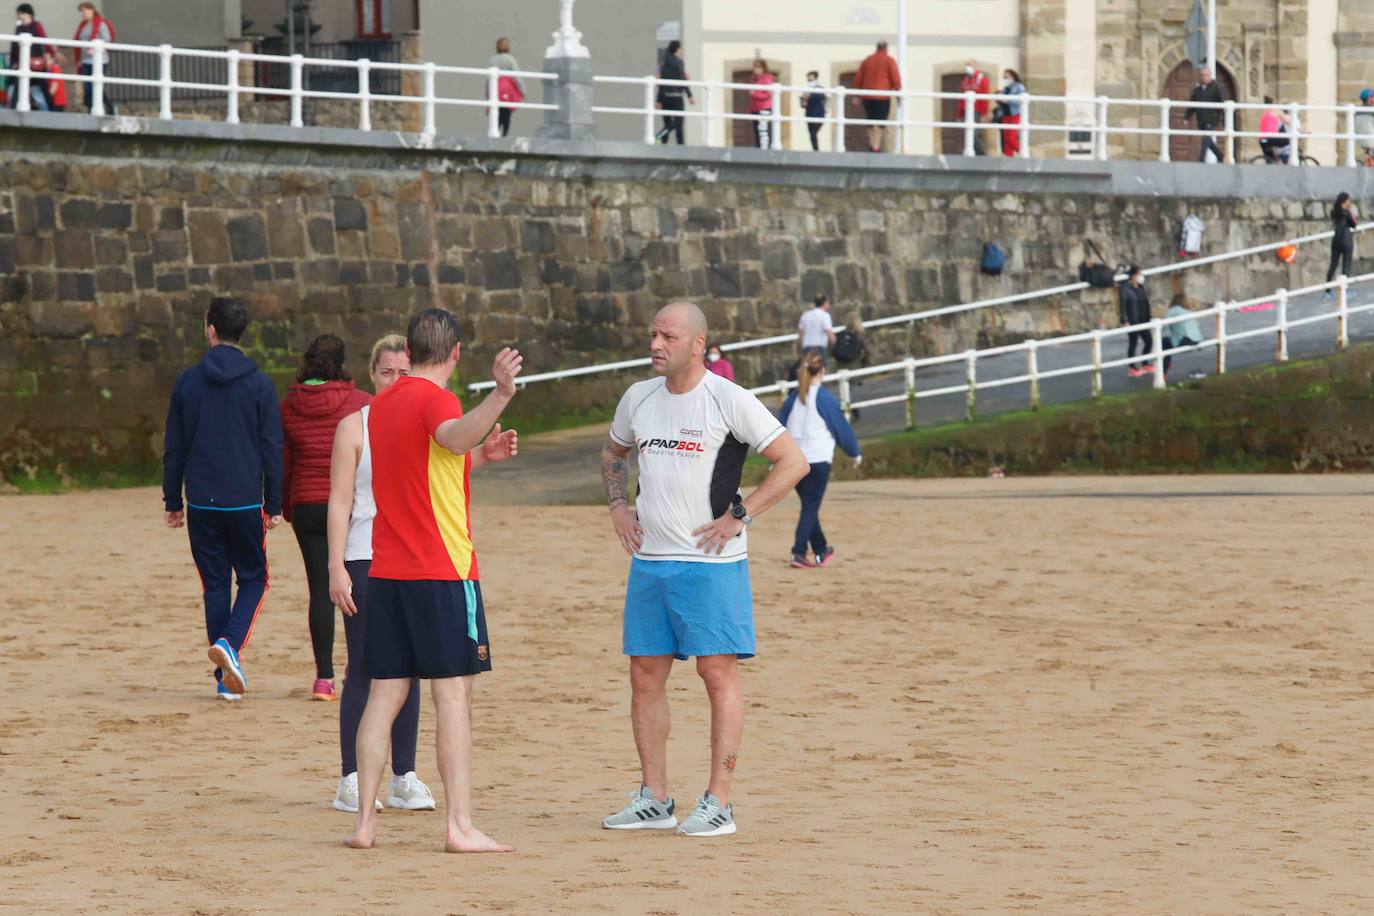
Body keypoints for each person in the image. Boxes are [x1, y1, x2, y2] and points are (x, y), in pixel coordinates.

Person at [599, 301, 807, 838]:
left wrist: (740, 515)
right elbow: (614, 454)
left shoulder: (728, 398)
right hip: (651, 563)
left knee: (716, 676)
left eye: (667, 336)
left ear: (697, 344)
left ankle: (719, 802)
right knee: (644, 677)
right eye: (653, 334)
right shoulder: (638, 397)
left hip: (711, 565)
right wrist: (618, 507)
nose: (655, 344)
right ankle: (655, 799)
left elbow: (793, 462)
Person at [345, 308, 523, 854]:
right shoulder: (436, 398)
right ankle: (459, 825)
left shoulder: (382, 405)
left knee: (383, 696)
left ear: (412, 346)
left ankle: (365, 823)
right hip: (442, 571)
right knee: (453, 697)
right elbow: (450, 435)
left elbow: (427, 464)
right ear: (455, 352)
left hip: (388, 571)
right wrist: (500, 396)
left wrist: (481, 456)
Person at [325, 334, 435, 815]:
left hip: (413, 558)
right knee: (365, 667)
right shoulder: (354, 426)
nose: (395, 380)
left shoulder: (426, 424)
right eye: (387, 371)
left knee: (409, 667)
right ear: (372, 374)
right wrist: (335, 565)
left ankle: (403, 775)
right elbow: (340, 500)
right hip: (364, 555)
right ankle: (351, 777)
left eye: (404, 372)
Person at [162, 297, 283, 700]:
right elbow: (272, 447)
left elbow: (175, 447)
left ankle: (224, 678)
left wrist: (172, 499)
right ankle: (229, 646)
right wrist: (274, 502)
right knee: (255, 578)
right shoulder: (260, 384)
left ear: (211, 329)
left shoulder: (187, 382)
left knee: (215, 583)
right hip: (245, 499)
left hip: (201, 500)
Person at [280, 334, 370, 701]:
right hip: (346, 505)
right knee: (353, 583)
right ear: (343, 363)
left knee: (319, 588)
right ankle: (355, 666)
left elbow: (285, 461)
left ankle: (324, 678)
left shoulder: (289, 405)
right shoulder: (359, 402)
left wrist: (285, 505)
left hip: (305, 502)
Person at [779, 351, 861, 570]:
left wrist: (776, 458)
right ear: (822, 371)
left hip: (793, 462)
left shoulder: (793, 399)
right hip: (817, 461)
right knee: (810, 508)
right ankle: (798, 552)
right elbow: (840, 427)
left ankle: (821, 549)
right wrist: (854, 452)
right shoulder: (824, 398)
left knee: (809, 506)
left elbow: (779, 427)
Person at [852, 41, 901, 153]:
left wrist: (856, 94)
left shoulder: (867, 60)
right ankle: (876, 146)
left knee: (870, 121)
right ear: (886, 48)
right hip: (882, 96)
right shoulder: (889, 60)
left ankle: (871, 144)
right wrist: (898, 90)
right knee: (880, 122)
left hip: (867, 96)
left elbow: (859, 77)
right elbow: (895, 77)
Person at [6, 4, 56, 112]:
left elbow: (44, 39)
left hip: (35, 63)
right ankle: (13, 109)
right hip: (22, 62)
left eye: (20, 13)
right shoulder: (19, 28)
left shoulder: (36, 25)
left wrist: (50, 54)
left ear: (26, 13)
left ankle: (48, 111)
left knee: (39, 90)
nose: (18, 16)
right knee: (17, 86)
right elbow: (14, 47)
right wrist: (14, 62)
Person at [71, 2, 115, 115]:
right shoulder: (83, 25)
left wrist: (95, 49)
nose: (83, 14)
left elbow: (107, 39)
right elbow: (79, 40)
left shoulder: (100, 23)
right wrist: (79, 58)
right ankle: (92, 109)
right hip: (86, 60)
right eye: (81, 11)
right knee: (88, 86)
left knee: (94, 86)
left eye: (84, 11)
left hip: (99, 60)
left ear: (92, 10)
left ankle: (109, 107)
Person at [655, 40, 694, 145]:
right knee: (678, 123)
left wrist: (658, 100)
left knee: (667, 123)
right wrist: (689, 95)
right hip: (676, 97)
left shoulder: (663, 64)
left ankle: (662, 145)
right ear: (677, 49)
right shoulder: (679, 62)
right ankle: (678, 144)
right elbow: (682, 80)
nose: (682, 50)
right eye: (680, 48)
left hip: (665, 97)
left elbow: (661, 84)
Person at [1118, 265, 1153, 376]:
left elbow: (1146, 303)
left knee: (1149, 341)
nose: (1141, 276)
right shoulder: (1125, 289)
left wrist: (1149, 316)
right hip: (1133, 320)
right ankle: (1132, 367)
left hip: (1143, 319)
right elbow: (1122, 306)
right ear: (1133, 275)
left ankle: (1145, 363)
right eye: (1139, 274)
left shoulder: (1141, 288)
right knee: (1133, 343)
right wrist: (1125, 320)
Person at [488, 37, 524, 138]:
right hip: (507, 90)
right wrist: (522, 90)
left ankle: (496, 132)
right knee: (506, 112)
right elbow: (517, 75)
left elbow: (488, 78)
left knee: (497, 112)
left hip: (495, 89)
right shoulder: (510, 59)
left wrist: (488, 92)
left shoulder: (492, 60)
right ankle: (504, 135)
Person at [1187, 66, 1225, 163]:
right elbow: (1192, 104)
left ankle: (1201, 161)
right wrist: (1186, 117)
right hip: (1201, 120)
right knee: (1208, 141)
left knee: (1205, 141)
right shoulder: (1198, 89)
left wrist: (1222, 119)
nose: (1204, 77)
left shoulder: (1216, 88)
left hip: (1211, 119)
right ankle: (1221, 157)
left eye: (1206, 75)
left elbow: (1221, 103)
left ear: (1210, 75)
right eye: (1203, 75)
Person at [1325, 192, 1357, 296]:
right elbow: (1354, 224)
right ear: (1345, 202)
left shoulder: (1334, 212)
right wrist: (1350, 212)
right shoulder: (1347, 213)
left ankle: (1328, 290)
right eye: (1348, 200)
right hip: (1346, 240)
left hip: (1336, 240)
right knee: (1346, 265)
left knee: (1333, 264)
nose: (1350, 202)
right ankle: (1345, 290)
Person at [958, 59, 991, 156]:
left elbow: (985, 97)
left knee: (973, 135)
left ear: (975, 66)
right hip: (966, 111)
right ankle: (974, 155)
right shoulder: (965, 80)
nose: (968, 67)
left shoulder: (981, 79)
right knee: (967, 134)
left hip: (977, 111)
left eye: (970, 64)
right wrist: (959, 115)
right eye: (967, 65)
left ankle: (982, 155)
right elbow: (962, 98)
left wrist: (984, 113)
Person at [797, 294, 837, 367]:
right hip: (819, 347)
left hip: (807, 347)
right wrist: (835, 344)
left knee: (808, 370)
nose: (830, 305)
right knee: (821, 371)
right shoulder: (825, 315)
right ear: (825, 303)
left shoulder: (805, 315)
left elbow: (800, 336)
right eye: (829, 303)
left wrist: (799, 351)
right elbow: (829, 333)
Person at [998, 69, 1026, 157]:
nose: (1005, 78)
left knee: (1011, 137)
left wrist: (1008, 100)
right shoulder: (1006, 88)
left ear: (1013, 76)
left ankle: (1023, 153)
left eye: (1007, 76)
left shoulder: (1019, 86)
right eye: (1004, 77)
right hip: (1005, 114)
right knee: (1006, 139)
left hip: (1014, 114)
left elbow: (1020, 101)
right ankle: (1008, 157)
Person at [748, 59, 775, 149]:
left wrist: (754, 94)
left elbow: (768, 95)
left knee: (763, 131)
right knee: (756, 130)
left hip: (764, 108)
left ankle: (764, 150)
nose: (755, 68)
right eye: (755, 66)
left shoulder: (767, 78)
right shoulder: (755, 79)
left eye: (758, 66)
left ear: (763, 68)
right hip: (755, 108)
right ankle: (758, 148)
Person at [1257, 96, 1291, 164]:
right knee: (1288, 140)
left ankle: (1276, 159)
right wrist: (1300, 130)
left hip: (1262, 140)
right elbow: (1289, 122)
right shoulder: (1277, 111)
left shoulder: (1264, 111)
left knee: (1270, 160)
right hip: (1271, 139)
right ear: (1273, 103)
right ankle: (1282, 156)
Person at [801, 70, 826, 151]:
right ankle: (815, 149)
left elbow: (821, 97)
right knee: (811, 133)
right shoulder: (806, 89)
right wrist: (803, 101)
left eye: (811, 76)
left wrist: (809, 96)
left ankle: (816, 150)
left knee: (813, 132)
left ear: (815, 77)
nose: (809, 78)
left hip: (819, 114)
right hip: (809, 113)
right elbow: (803, 103)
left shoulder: (820, 88)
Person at [1354, 89, 1374, 167]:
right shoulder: (1372, 110)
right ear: (1369, 98)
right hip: (1371, 140)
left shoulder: (1357, 111)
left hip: (1360, 140)